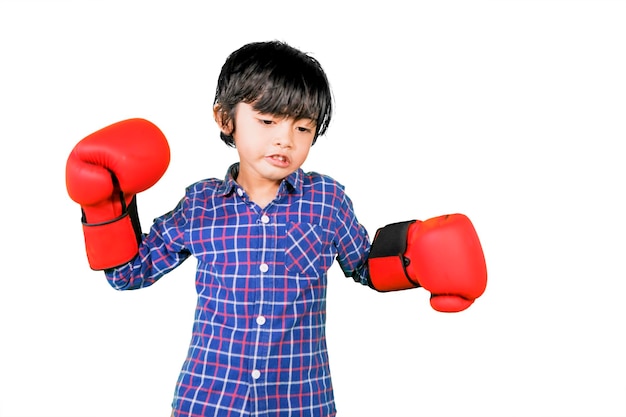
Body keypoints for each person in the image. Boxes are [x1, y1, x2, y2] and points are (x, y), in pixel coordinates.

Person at [65, 40, 487, 417]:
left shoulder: (327, 201)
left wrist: (421, 255)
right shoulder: (200, 204)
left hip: (301, 401)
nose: (285, 139)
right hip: (210, 401)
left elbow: (366, 267)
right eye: (267, 121)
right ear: (225, 119)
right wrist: (104, 205)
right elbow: (128, 274)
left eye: (302, 128)